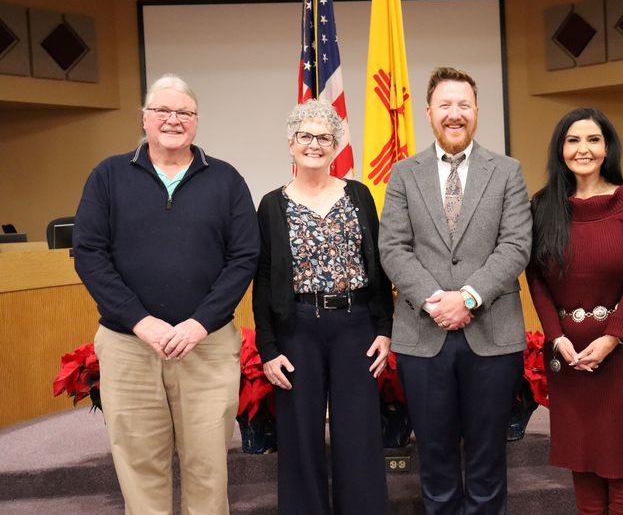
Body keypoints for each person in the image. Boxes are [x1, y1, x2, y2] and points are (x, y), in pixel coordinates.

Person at [73, 74, 260, 514]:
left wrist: (199, 323)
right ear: (145, 118)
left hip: (207, 347)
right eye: (163, 110)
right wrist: (141, 321)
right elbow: (90, 254)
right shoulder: (108, 176)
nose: (173, 120)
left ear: (196, 122)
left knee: (208, 467)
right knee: (140, 466)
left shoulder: (226, 180)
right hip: (128, 346)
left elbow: (244, 258)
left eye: (184, 113)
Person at [379, 67, 532, 514]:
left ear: (477, 112)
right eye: (445, 105)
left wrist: (466, 297)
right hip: (423, 337)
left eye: (464, 105)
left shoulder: (506, 171)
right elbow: (392, 247)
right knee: (436, 458)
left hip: (492, 334)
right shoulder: (404, 173)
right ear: (428, 113)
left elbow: (517, 244)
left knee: (487, 459)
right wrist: (435, 300)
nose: (455, 114)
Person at [253, 99, 393, 515]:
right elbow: (262, 279)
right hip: (297, 328)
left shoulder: (359, 195)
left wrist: (385, 327)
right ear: (291, 144)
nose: (315, 144)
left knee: (359, 436)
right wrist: (267, 347)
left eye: (324, 138)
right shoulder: (271, 204)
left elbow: (379, 265)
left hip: (356, 326)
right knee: (299, 438)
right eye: (306, 137)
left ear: (336, 147)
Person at [526, 108, 623, 515]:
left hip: (622, 349)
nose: (583, 149)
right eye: (573, 140)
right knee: (582, 459)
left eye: (593, 140)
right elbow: (537, 279)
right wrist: (556, 336)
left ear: (607, 148)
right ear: (560, 149)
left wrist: (612, 336)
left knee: (622, 460)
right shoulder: (543, 205)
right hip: (568, 353)